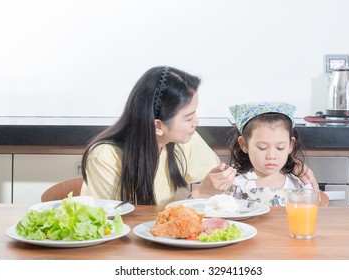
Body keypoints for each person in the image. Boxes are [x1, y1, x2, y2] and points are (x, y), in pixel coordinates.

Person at [80, 66, 237, 206]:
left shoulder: (185, 139)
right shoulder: (104, 157)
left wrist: (220, 179)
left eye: (195, 113)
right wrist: (200, 194)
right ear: (158, 126)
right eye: (188, 118)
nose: (196, 121)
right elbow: (116, 224)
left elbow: (214, 177)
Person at [226, 101, 317, 206]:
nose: (271, 156)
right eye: (262, 148)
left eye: (280, 148)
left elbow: (315, 206)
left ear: (290, 145)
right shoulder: (237, 184)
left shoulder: (299, 183)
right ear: (244, 145)